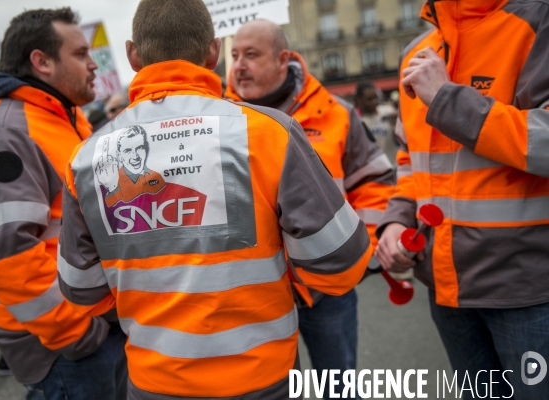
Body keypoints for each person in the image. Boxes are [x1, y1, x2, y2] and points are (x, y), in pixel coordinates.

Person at [56, 0, 372, 398]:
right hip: (263, 376)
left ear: (133, 55)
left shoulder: (86, 157)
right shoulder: (269, 132)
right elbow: (342, 262)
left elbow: (81, 290)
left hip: (156, 381)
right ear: (213, 52)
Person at [376, 1, 549, 398]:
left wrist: (448, 99)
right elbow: (409, 160)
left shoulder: (537, 21)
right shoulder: (417, 51)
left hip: (528, 287)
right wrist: (398, 219)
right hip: (446, 289)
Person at [0, 8, 127, 399]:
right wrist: (79, 334)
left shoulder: (63, 118)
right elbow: (8, 258)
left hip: (93, 326)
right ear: (42, 61)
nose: (92, 64)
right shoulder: (4, 134)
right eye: (81, 53)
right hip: (68, 346)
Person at [225, 19, 394, 399]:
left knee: (339, 388)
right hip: (253, 297)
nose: (238, 66)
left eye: (251, 55)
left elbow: (374, 183)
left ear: (283, 58)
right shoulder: (217, 119)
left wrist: (361, 254)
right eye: (234, 55)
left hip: (325, 292)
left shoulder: (336, 113)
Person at [354, 82, 398, 165]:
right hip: (372, 171)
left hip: (392, 166)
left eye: (375, 98)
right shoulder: (355, 121)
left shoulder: (388, 112)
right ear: (358, 100)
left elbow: (400, 141)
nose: (374, 102)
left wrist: (398, 125)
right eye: (369, 99)